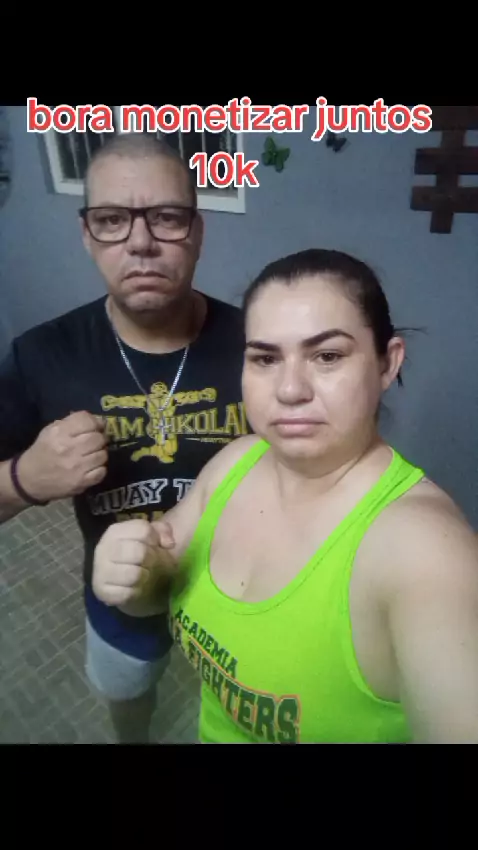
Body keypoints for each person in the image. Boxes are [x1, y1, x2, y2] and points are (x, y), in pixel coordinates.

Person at [92, 247, 478, 744]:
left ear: (388, 363)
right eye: (266, 358)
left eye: (328, 356)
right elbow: (153, 601)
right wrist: (136, 577)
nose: (290, 389)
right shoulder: (237, 460)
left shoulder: (426, 551)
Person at [0, 132, 248, 743]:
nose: (140, 242)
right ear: (87, 235)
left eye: (167, 217)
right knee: (128, 699)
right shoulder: (41, 355)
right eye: (112, 220)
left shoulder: (260, 346)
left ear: (197, 231)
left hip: (246, 585)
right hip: (121, 591)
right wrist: (25, 479)